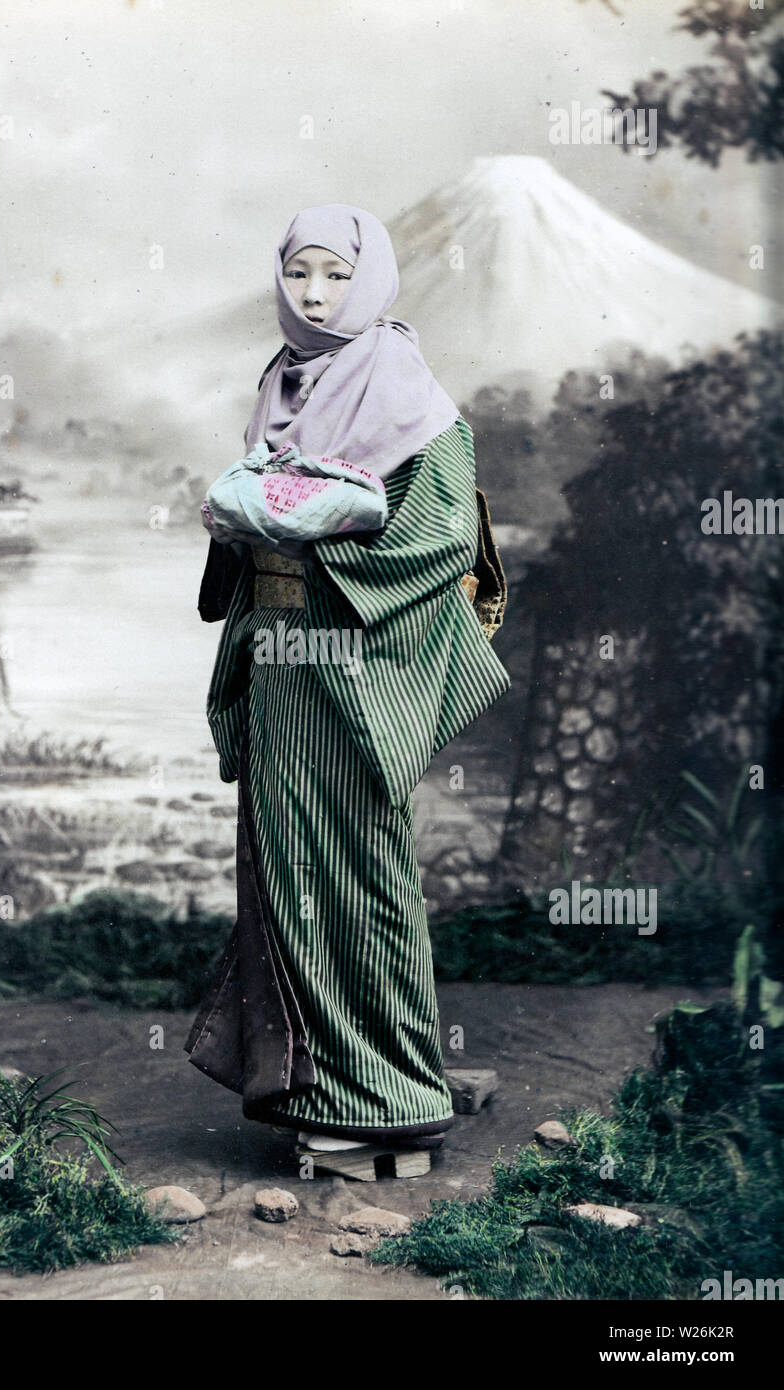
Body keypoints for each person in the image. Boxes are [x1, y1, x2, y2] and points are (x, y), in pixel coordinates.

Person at [184, 203, 510, 1172]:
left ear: (368, 279)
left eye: (334, 273)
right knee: (287, 869)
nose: (314, 293)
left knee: (357, 868)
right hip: (279, 659)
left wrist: (309, 529)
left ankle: (395, 1096)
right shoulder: (282, 379)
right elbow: (254, 513)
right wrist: (242, 519)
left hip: (349, 662)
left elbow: (442, 533)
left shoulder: (399, 380)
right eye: (298, 273)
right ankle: (312, 1090)